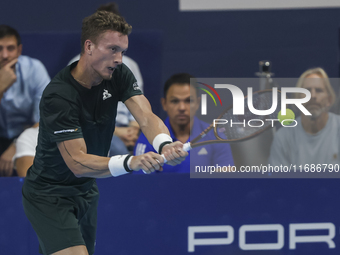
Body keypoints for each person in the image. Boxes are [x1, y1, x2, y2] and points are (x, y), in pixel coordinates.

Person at [22, 11, 187, 255]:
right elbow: (77, 162)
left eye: (122, 51)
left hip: (87, 190)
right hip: (50, 195)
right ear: (89, 46)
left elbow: (145, 115)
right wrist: (132, 161)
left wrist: (165, 144)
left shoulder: (117, 74)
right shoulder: (59, 96)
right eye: (112, 49)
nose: (119, 59)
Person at [68, 2, 142, 155]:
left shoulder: (129, 66)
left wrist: (133, 131)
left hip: (128, 130)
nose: (118, 60)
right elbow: (80, 118)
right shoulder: (77, 67)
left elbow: (139, 104)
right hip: (99, 131)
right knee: (117, 149)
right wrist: (117, 132)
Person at [134, 73, 235, 173]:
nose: (182, 108)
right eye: (175, 101)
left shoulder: (215, 135)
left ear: (198, 103)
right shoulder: (148, 137)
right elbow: (140, 182)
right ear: (164, 104)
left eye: (188, 101)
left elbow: (225, 180)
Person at [0, 25, 50, 176]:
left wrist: (16, 144)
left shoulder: (34, 69)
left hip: (26, 134)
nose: (4, 55)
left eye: (10, 48)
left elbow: (46, 117)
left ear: (19, 50)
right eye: (0, 48)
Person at [268, 67, 340, 166]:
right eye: (307, 91)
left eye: (319, 90)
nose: (313, 95)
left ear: (329, 99)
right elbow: (277, 180)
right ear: (297, 99)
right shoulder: (283, 137)